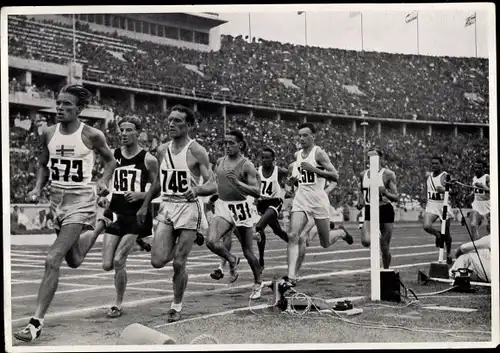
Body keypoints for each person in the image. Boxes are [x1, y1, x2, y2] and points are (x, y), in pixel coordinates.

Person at [14, 84, 117, 342]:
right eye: (58, 103)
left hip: (81, 201)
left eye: (67, 104)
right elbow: (42, 164)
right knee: (74, 260)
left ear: (79, 109)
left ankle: (36, 322)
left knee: (53, 259)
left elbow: (111, 161)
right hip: (56, 201)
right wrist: (38, 187)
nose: (60, 108)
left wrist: (103, 181)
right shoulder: (47, 133)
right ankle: (102, 225)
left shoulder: (92, 135)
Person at [137, 105, 214, 323]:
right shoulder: (162, 150)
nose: (171, 124)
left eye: (177, 121)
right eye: (170, 120)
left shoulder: (196, 150)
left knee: (179, 263)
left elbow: (212, 184)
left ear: (189, 125)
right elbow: (159, 182)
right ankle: (182, 243)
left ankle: (176, 304)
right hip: (167, 207)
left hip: (189, 208)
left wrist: (197, 189)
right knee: (157, 260)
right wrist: (145, 204)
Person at [96, 116, 159, 318]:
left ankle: (117, 303)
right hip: (116, 213)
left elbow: (158, 188)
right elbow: (103, 181)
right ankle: (141, 241)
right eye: (121, 130)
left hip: (136, 215)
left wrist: (142, 195)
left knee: (118, 261)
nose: (123, 133)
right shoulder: (113, 157)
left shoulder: (148, 159)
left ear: (138, 133)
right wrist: (103, 192)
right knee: (106, 265)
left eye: (128, 130)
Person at [285, 123, 353, 287]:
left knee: (325, 243)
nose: (301, 138)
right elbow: (293, 182)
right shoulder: (297, 155)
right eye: (299, 135)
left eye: (305, 135)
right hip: (301, 199)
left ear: (312, 136)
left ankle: (340, 233)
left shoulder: (319, 153)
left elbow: (335, 176)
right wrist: (292, 182)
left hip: (318, 201)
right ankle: (291, 276)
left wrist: (314, 170)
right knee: (293, 236)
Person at [205, 130, 263, 299]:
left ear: (240, 145)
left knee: (248, 252)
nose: (227, 146)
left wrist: (237, 182)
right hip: (223, 206)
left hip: (241, 209)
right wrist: (212, 196)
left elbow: (257, 191)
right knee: (211, 241)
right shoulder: (220, 162)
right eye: (225, 143)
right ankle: (231, 259)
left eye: (231, 143)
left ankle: (258, 282)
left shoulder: (246, 165)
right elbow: (216, 182)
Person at [358, 150, 399, 269]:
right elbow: (362, 190)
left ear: (380, 158)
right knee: (366, 241)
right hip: (370, 209)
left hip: (385, 209)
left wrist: (385, 192)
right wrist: (360, 200)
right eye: (369, 157)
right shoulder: (363, 174)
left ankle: (386, 271)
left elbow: (396, 197)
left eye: (374, 157)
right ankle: (376, 238)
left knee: (385, 247)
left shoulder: (388, 174)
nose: (371, 160)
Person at [254, 147, 289, 271]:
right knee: (277, 231)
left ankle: (260, 263)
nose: (265, 160)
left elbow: (292, 174)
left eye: (268, 157)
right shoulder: (256, 170)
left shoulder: (278, 171)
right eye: (263, 157)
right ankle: (291, 242)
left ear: (273, 159)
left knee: (259, 227)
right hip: (262, 204)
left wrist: (290, 186)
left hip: (275, 202)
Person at [422, 156, 453, 264]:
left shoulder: (445, 176)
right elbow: (427, 190)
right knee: (426, 226)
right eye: (433, 163)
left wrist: (445, 190)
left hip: (443, 205)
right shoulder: (429, 176)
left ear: (441, 164)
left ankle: (449, 253)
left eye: (437, 163)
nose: (434, 165)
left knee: (447, 232)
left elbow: (455, 191)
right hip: (431, 205)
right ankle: (438, 235)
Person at [468, 159, 490, 240]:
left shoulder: (487, 177)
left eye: (479, 168)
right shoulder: (474, 178)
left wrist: (483, 187)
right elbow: (475, 191)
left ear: (483, 168)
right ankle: (478, 247)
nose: (476, 170)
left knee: (490, 229)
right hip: (477, 205)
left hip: (488, 206)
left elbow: (493, 191)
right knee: (473, 226)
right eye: (475, 168)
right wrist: (470, 195)